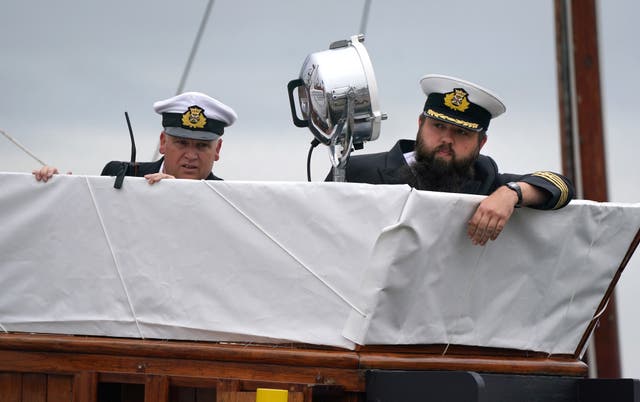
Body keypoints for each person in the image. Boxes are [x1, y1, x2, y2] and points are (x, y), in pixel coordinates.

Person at [327, 74, 575, 246]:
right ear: (420, 124)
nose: (446, 139)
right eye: (438, 126)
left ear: (481, 144)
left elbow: (561, 187)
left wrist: (510, 194)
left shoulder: (485, 180)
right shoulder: (359, 172)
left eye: (462, 132)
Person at [33, 91, 237, 184]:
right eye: (182, 143)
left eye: (202, 146)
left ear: (217, 150)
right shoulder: (122, 176)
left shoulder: (230, 201)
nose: (191, 155)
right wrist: (57, 189)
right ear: (163, 143)